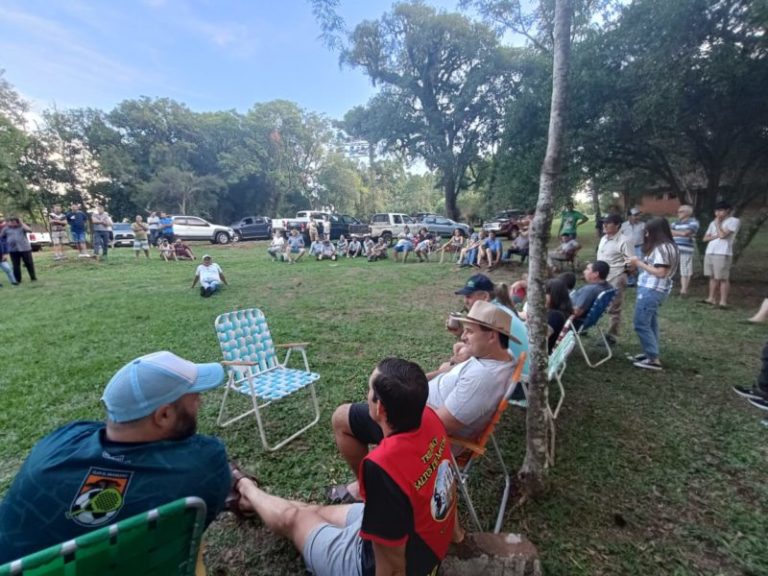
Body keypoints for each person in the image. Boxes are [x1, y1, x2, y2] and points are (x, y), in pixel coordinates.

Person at [0, 351, 231, 564]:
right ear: (164, 415)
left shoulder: (51, 449)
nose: (200, 402)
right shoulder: (203, 465)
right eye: (195, 397)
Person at [233, 358, 456, 576]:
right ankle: (250, 502)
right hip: (422, 538)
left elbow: (393, 568)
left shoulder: (383, 468)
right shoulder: (428, 416)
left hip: (371, 563)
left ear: (380, 409)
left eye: (369, 391)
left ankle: (245, 487)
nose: (366, 395)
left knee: (293, 519)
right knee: (313, 511)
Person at [331, 301, 518, 504]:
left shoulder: (482, 378)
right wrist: (441, 371)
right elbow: (448, 372)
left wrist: (399, 398)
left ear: (491, 336)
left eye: (470, 332)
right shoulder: (500, 358)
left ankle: (366, 489)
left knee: (342, 417)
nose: (463, 337)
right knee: (389, 380)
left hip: (416, 431)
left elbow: (439, 425)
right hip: (417, 406)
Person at [629, 217, 679, 371]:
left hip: (652, 289)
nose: (646, 235)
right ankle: (650, 352)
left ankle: (653, 359)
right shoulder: (671, 246)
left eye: (648, 232)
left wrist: (638, 263)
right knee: (651, 322)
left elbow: (661, 272)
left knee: (641, 323)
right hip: (656, 289)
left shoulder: (662, 248)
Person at [596, 213, 633, 345]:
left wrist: (624, 275)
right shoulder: (603, 239)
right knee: (597, 303)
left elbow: (630, 262)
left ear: (617, 225)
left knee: (614, 307)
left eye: (608, 222)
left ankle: (611, 335)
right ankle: (583, 326)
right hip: (601, 277)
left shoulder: (624, 240)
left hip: (616, 276)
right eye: (603, 222)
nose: (604, 225)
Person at [702, 200, 740, 308]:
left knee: (723, 277)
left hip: (723, 252)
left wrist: (718, 224)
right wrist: (716, 234)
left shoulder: (734, 221)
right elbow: (705, 238)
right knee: (712, 276)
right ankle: (711, 298)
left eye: (720, 210)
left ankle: (723, 301)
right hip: (710, 251)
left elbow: (723, 235)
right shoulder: (712, 223)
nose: (717, 213)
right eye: (716, 211)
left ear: (727, 210)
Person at [568, 261, 612, 330]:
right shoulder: (608, 287)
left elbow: (576, 312)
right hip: (588, 321)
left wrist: (560, 306)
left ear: (596, 274)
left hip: (575, 322)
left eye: (587, 269)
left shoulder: (590, 290)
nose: (584, 271)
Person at [670, 204, 699, 296]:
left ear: (688, 213)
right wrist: (681, 233)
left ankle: (684, 291)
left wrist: (676, 233)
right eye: (678, 211)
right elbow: (668, 232)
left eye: (681, 211)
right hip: (674, 249)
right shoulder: (675, 223)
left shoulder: (693, 222)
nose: (678, 213)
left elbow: (686, 233)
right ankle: (668, 288)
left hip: (686, 249)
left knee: (685, 270)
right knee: (670, 269)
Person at [0, 217, 37, 283]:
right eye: (11, 222)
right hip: (13, 250)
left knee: (29, 264)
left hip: (25, 248)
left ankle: (33, 277)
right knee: (15, 265)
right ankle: (18, 279)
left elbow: (30, 230)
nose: (12, 223)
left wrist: (22, 223)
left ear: (18, 222)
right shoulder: (6, 229)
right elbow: (1, 236)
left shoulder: (22, 227)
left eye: (14, 222)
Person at [545, 278, 573, 352]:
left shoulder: (555, 316)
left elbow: (539, 339)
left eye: (546, 293)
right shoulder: (562, 311)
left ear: (554, 295)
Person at [620, 208, 646, 287]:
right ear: (629, 217)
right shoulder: (623, 225)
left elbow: (647, 236)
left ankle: (642, 281)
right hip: (627, 248)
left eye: (638, 215)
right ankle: (631, 281)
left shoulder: (643, 225)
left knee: (641, 265)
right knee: (628, 265)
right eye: (635, 215)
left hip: (640, 247)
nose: (637, 217)